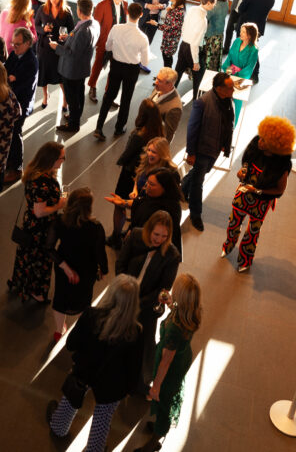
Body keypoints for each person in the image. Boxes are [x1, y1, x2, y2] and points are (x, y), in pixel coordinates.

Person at [46, 275, 143, 451]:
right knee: (102, 419)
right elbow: (134, 369)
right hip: (112, 385)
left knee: (71, 398)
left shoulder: (91, 315)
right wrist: (127, 389)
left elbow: (71, 343)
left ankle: (59, 427)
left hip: (85, 372)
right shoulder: (135, 332)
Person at [136, 273, 202, 452]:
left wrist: (155, 387)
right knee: (168, 395)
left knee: (164, 400)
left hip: (171, 365)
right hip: (183, 357)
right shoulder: (193, 311)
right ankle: (158, 426)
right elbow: (179, 309)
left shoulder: (174, 329)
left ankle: (153, 442)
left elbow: (166, 362)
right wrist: (171, 303)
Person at [116, 212, 181, 390]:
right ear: (148, 229)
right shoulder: (136, 235)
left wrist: (137, 304)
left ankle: (139, 382)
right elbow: (121, 263)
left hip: (145, 306)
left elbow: (162, 289)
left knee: (144, 344)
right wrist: (124, 291)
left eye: (164, 236)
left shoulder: (172, 255)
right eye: (156, 234)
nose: (159, 239)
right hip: (124, 295)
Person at [222, 117, 295, 272]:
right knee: (233, 222)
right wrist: (242, 173)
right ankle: (228, 245)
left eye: (265, 141)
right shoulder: (255, 146)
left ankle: (245, 260)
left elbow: (279, 191)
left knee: (252, 232)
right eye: (261, 137)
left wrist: (257, 191)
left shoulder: (281, 166)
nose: (259, 141)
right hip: (243, 193)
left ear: (275, 147)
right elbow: (245, 165)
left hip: (261, 202)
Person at [7, 142, 67, 303]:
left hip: (30, 226)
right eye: (62, 158)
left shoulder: (36, 175)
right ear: (52, 159)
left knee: (25, 257)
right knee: (40, 260)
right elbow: (40, 212)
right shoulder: (42, 181)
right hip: (40, 229)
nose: (63, 161)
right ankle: (36, 292)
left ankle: (20, 284)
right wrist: (59, 205)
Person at [50, 187, 107, 342]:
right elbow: (100, 252)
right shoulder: (96, 227)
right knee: (84, 299)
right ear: (89, 207)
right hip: (86, 269)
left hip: (64, 266)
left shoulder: (60, 221)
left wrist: (66, 268)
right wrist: (104, 269)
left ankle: (58, 331)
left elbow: (49, 248)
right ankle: (80, 331)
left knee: (61, 296)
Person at [182, 72, 235, 231]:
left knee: (202, 171)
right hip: (203, 148)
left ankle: (183, 188)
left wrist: (225, 143)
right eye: (230, 87)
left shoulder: (226, 100)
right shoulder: (202, 103)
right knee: (198, 182)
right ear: (219, 88)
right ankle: (195, 214)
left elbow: (227, 124)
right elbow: (192, 129)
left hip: (215, 148)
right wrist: (191, 152)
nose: (233, 90)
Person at [92, 2, 150, 141]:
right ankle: (119, 128)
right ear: (141, 15)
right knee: (126, 98)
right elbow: (145, 62)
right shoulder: (143, 37)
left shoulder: (116, 28)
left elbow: (108, 46)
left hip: (116, 66)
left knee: (108, 96)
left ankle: (99, 127)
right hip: (132, 69)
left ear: (128, 13)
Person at [105, 137, 177, 248]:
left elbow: (156, 202)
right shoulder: (146, 162)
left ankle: (127, 234)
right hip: (140, 200)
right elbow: (137, 178)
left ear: (162, 154)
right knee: (118, 205)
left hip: (150, 207)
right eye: (149, 150)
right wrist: (135, 190)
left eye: (154, 152)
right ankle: (117, 236)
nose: (149, 154)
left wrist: (126, 202)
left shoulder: (168, 173)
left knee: (120, 204)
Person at [54, 0, 100, 133]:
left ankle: (73, 125)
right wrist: (68, 37)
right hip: (82, 68)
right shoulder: (94, 24)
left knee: (72, 98)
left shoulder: (84, 31)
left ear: (79, 11)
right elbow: (79, 44)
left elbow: (72, 53)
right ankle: (76, 117)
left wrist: (56, 47)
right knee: (79, 94)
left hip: (72, 70)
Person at [112, 99, 163, 207]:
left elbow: (128, 153)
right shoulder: (159, 131)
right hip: (145, 171)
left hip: (130, 172)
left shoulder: (139, 135)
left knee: (120, 201)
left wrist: (120, 161)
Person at [123, 168, 184, 255]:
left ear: (164, 188)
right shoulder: (152, 197)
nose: (146, 186)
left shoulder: (170, 210)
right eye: (147, 182)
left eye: (151, 184)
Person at [5, 27, 38, 184]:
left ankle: (17, 168)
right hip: (11, 101)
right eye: (13, 43)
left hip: (21, 104)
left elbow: (24, 88)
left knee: (15, 132)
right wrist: (10, 78)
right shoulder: (14, 54)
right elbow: (6, 70)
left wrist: (13, 79)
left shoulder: (31, 62)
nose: (13, 47)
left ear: (27, 43)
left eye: (17, 44)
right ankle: (9, 162)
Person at [34, 0, 74, 110]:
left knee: (61, 75)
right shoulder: (42, 9)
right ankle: (46, 96)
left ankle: (65, 99)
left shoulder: (66, 12)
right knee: (44, 75)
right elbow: (36, 25)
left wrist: (67, 36)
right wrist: (43, 29)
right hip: (44, 47)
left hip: (59, 48)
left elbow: (73, 31)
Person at [88, 0, 128, 103]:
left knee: (115, 69)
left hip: (118, 43)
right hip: (104, 42)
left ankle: (109, 93)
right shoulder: (102, 5)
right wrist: (97, 43)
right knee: (98, 65)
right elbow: (95, 26)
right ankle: (92, 86)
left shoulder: (125, 5)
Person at [174, 0, 216, 100]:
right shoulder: (203, 20)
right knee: (198, 76)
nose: (214, 5)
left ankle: (169, 95)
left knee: (177, 73)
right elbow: (195, 43)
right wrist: (196, 61)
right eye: (213, 3)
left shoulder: (192, 9)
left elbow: (183, 27)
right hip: (192, 49)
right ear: (208, 3)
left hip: (183, 45)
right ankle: (195, 99)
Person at [222, 23, 260, 121]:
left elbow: (249, 68)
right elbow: (229, 57)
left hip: (241, 78)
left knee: (237, 101)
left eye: (243, 32)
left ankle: (233, 124)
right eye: (241, 31)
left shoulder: (254, 50)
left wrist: (237, 75)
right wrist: (228, 69)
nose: (240, 33)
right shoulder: (236, 41)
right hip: (230, 72)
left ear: (250, 35)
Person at [145, 66, 182, 142]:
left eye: (160, 80)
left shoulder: (174, 108)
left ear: (170, 84)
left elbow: (167, 135)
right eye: (157, 78)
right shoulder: (159, 88)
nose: (156, 82)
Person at [205, 0, 229, 71]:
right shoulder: (225, 2)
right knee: (215, 57)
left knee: (207, 56)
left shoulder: (215, 4)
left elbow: (206, 17)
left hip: (211, 34)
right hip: (219, 33)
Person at [157, 0, 185, 69]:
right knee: (166, 57)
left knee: (167, 58)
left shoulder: (178, 11)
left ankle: (166, 77)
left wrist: (157, 25)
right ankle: (165, 75)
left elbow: (170, 27)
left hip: (171, 39)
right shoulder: (175, 7)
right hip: (168, 37)